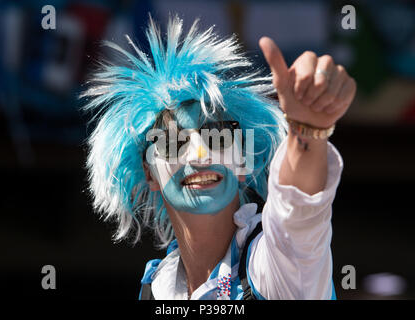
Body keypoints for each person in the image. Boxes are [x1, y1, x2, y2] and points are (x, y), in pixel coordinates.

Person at [81, 15, 356, 300]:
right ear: (149, 172)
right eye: (174, 141)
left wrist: (307, 130)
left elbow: (298, 213)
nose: (200, 155)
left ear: (243, 160)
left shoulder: (277, 270)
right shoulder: (157, 287)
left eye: (219, 137)